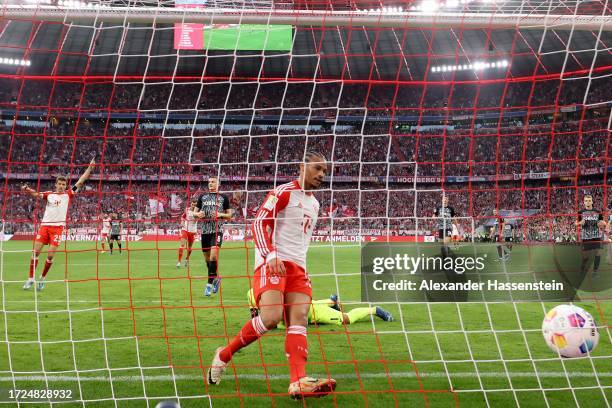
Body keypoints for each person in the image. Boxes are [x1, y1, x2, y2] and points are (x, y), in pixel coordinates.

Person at [207, 151, 337, 400]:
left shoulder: (316, 204)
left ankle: (298, 381)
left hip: (298, 268)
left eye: (325, 171)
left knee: (299, 319)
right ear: (303, 166)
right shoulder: (284, 192)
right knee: (270, 317)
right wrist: (270, 255)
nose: (321, 175)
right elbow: (259, 223)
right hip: (273, 262)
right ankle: (224, 355)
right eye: (318, 168)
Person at [22, 158, 96, 291]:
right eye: (59, 184)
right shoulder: (49, 195)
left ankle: (42, 279)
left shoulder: (69, 194)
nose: (61, 186)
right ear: (56, 184)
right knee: (35, 252)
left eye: (63, 184)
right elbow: (36, 194)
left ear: (66, 185)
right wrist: (27, 189)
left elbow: (80, 182)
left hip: (57, 229)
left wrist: (89, 169)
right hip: (44, 226)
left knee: (50, 255)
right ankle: (30, 279)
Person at [247, 289, 393, 325]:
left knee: (345, 319)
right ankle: (331, 302)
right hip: (301, 310)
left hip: (310, 311)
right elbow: (254, 317)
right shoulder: (251, 293)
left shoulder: (279, 288)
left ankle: (374, 310)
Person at [196, 177, 232, 296]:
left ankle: (208, 286)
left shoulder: (223, 198)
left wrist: (219, 214)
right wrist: (198, 214)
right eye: (209, 182)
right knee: (208, 260)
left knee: (213, 256)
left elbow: (229, 215)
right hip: (205, 232)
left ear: (218, 184)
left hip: (217, 230)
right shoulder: (202, 197)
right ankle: (216, 278)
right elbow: (194, 213)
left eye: (213, 182)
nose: (210, 184)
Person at [576, 195, 607, 277]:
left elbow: (602, 222)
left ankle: (595, 272)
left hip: (596, 236)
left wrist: (603, 224)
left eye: (589, 200)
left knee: (598, 253)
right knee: (585, 257)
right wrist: (580, 223)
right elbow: (576, 223)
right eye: (586, 200)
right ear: (584, 202)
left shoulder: (598, 211)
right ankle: (582, 268)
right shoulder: (580, 212)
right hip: (586, 237)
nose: (588, 202)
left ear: (592, 201)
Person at [177, 198, 203, 268]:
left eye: (195, 205)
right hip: (185, 229)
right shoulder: (187, 210)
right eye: (192, 204)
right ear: (191, 204)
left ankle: (187, 259)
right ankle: (179, 262)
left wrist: (198, 216)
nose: (193, 206)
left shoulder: (199, 212)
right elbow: (183, 217)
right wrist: (182, 222)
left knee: (189, 247)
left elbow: (196, 220)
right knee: (182, 245)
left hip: (192, 231)